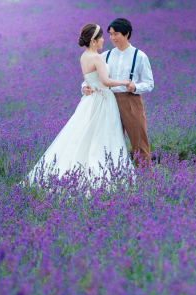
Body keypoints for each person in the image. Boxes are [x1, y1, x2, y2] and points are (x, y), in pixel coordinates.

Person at [28, 23, 132, 186]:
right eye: (101, 37)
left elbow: (90, 79)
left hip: (90, 100)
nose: (104, 40)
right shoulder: (97, 57)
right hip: (103, 99)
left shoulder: (84, 57)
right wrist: (124, 82)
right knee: (102, 135)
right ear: (93, 41)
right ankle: (104, 174)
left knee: (84, 134)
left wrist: (86, 87)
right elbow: (105, 81)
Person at [82, 18, 154, 167]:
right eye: (110, 34)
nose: (112, 38)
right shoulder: (105, 55)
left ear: (126, 34)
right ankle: (113, 179)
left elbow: (149, 83)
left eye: (116, 34)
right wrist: (84, 87)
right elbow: (92, 78)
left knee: (139, 141)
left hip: (130, 101)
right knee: (107, 142)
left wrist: (135, 87)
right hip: (107, 100)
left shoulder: (139, 56)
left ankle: (146, 181)